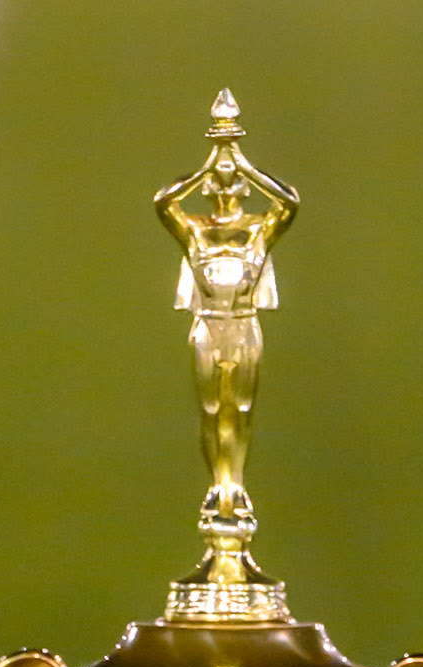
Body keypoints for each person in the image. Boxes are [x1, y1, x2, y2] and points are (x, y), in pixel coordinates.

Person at [155, 91, 299, 528]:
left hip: (243, 324)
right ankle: (217, 485)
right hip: (209, 324)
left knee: (241, 406)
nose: (224, 187)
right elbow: (164, 202)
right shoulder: (195, 230)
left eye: (231, 181)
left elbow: (288, 202)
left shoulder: (257, 231)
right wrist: (210, 160)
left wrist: (242, 161)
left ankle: (235, 485)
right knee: (212, 410)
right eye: (217, 183)